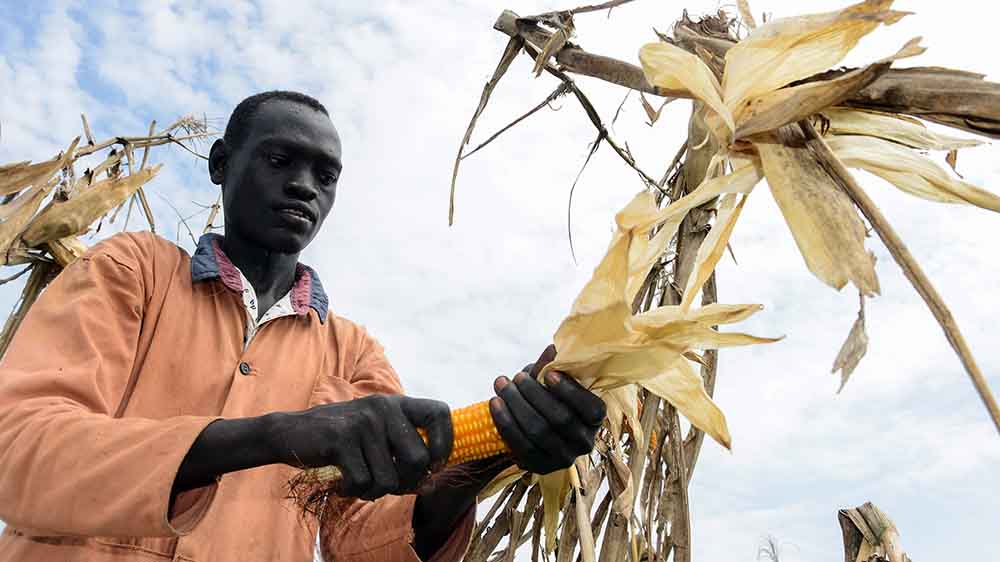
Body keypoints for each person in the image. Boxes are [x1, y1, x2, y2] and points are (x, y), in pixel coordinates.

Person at [0, 91, 607, 562]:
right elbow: (19, 447)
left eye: (326, 176)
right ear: (220, 164)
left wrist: (485, 455)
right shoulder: (133, 272)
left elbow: (364, 540)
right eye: (280, 160)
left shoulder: (354, 353)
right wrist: (273, 435)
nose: (303, 186)